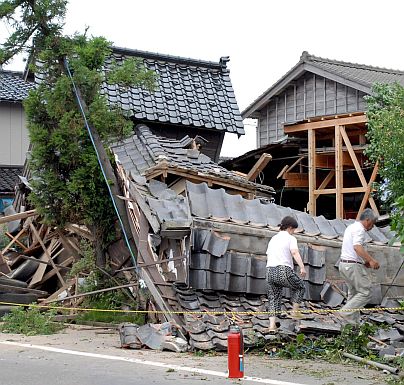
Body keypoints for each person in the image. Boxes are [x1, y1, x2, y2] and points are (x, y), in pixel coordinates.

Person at [339, 208, 380, 324]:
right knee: (366, 291)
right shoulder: (360, 230)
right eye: (372, 224)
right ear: (368, 220)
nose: (372, 227)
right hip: (352, 266)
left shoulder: (351, 227)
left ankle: (352, 325)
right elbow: (357, 247)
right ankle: (345, 312)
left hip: (344, 265)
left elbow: (353, 249)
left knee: (354, 294)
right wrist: (371, 260)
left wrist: (364, 261)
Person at [266, 216, 306, 332]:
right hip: (283, 270)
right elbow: (294, 252)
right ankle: (294, 312)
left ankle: (272, 326)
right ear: (289, 228)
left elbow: (268, 255)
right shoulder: (290, 238)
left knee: (273, 298)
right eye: (293, 230)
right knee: (300, 286)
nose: (293, 232)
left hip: (269, 271)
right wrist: (302, 267)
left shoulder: (273, 238)